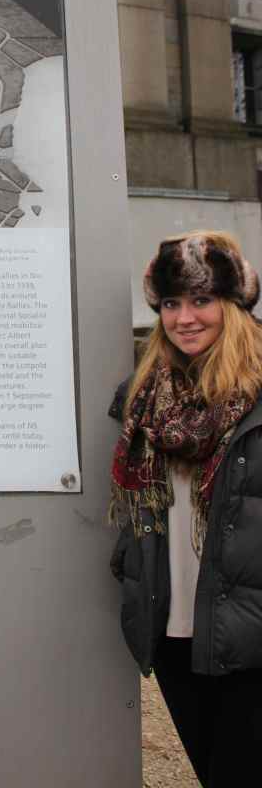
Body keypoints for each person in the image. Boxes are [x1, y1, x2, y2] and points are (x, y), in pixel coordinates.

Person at [108, 230, 262, 788]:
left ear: (234, 305)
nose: (185, 317)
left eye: (201, 300)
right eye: (171, 303)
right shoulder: (143, 396)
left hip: (250, 633)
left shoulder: (258, 392)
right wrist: (130, 564)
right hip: (175, 628)